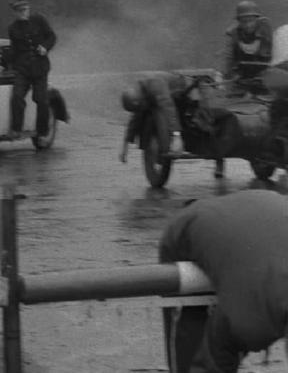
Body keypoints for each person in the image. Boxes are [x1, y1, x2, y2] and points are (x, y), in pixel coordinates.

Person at [159, 190, 288, 373]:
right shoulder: (249, 321)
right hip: (190, 226)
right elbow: (213, 361)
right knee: (191, 330)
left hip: (265, 206)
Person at [7, 0, 57, 145]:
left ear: (28, 9)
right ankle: (16, 129)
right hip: (22, 69)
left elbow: (52, 37)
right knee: (16, 97)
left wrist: (45, 47)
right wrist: (4, 63)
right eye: (19, 11)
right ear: (15, 13)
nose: (23, 13)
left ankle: (42, 132)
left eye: (25, 10)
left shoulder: (39, 20)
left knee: (41, 100)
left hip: (40, 68)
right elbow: (14, 50)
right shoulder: (13, 28)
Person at [119, 74, 187, 164]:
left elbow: (169, 109)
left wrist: (177, 137)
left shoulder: (155, 87)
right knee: (144, 115)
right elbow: (134, 120)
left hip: (177, 88)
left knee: (165, 109)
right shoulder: (139, 94)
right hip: (162, 96)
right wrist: (125, 148)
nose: (139, 110)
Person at [222, 0, 273, 85]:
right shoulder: (233, 34)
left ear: (257, 19)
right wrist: (231, 75)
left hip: (266, 76)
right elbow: (228, 58)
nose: (248, 25)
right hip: (242, 77)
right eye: (244, 21)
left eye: (251, 20)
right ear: (239, 22)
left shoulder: (266, 31)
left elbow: (273, 54)